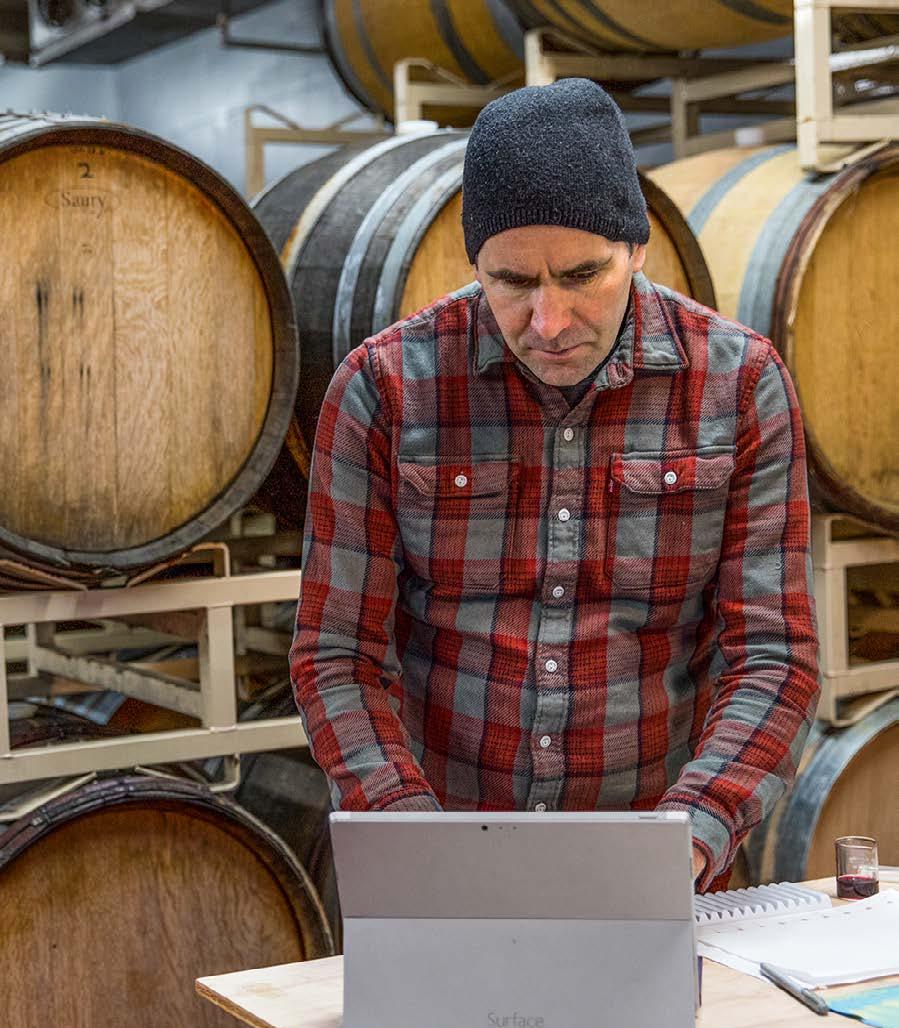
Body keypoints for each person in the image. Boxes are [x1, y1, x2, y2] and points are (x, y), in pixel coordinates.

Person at [290, 78, 820, 890]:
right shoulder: (386, 388)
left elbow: (773, 655)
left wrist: (688, 835)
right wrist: (408, 835)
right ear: (473, 262)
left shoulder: (738, 382)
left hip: (661, 855)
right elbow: (337, 653)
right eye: (511, 281)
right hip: (438, 849)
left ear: (636, 247)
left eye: (582, 274)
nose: (548, 320)